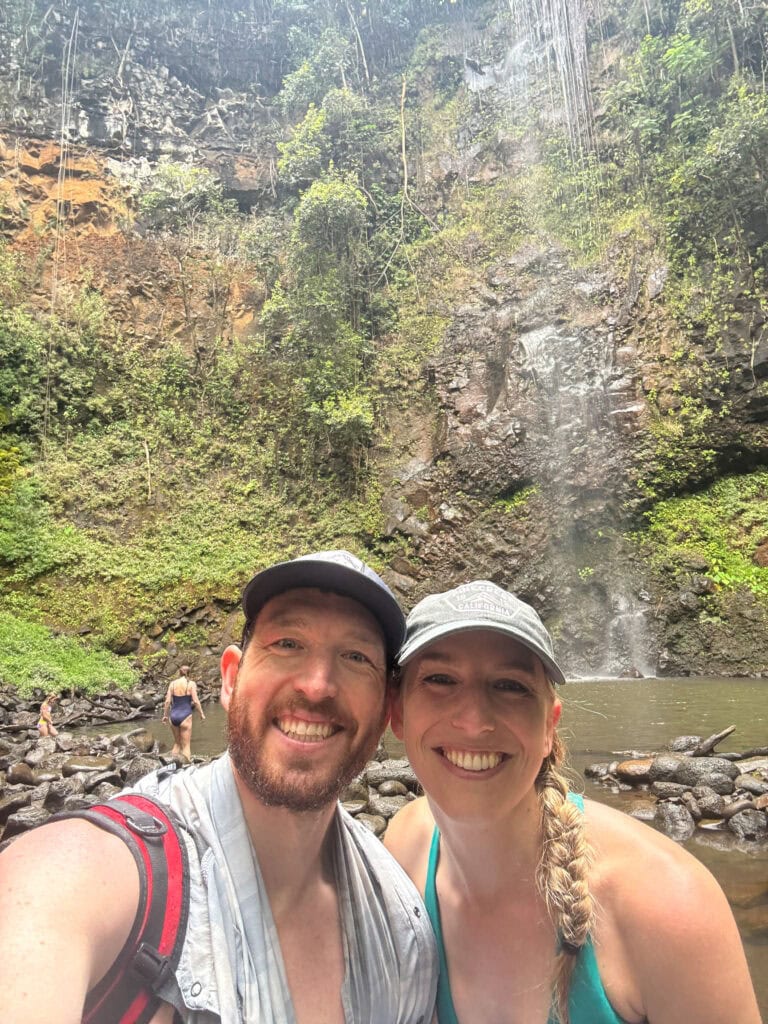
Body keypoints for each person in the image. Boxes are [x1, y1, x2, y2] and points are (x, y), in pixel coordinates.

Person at [0, 550, 437, 1024]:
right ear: (230, 678)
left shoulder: (401, 921)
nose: (316, 686)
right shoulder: (83, 876)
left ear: (388, 707)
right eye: (287, 643)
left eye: (355, 657)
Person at [384, 580, 762, 1024]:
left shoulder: (668, 905)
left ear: (549, 726)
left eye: (510, 685)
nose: (473, 720)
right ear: (398, 714)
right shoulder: (404, 848)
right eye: (440, 679)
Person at [162, 664, 206, 760]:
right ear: (189, 673)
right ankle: (186, 768)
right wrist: (201, 714)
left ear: (179, 672)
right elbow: (195, 701)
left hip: (173, 716)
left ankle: (173, 765)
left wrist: (165, 715)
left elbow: (168, 701)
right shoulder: (191, 684)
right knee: (186, 746)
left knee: (177, 743)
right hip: (185, 715)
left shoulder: (172, 684)